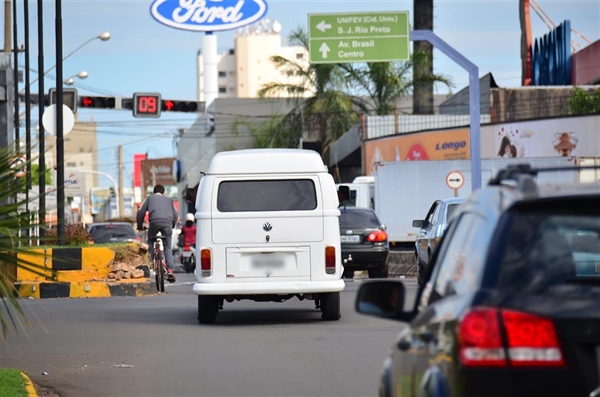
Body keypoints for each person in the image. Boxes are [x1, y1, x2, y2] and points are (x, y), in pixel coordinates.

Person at [136, 184, 179, 282]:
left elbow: (140, 212)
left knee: (150, 240)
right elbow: (176, 215)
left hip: (154, 222)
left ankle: (150, 264)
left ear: (154, 192)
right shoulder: (170, 200)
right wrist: (171, 225)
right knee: (167, 247)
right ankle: (170, 270)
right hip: (168, 223)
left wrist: (139, 225)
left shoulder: (149, 198)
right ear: (163, 193)